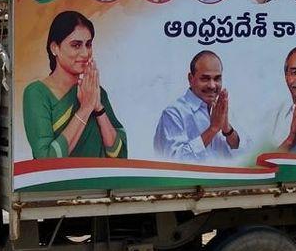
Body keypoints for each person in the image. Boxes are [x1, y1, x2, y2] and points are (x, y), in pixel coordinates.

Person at [23, 10, 128, 158]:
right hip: (60, 181)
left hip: (98, 180)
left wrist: (98, 108)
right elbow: (46, 159)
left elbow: (119, 155)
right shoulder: (37, 93)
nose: (85, 53)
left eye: (88, 44)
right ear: (55, 48)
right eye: (76, 45)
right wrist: (85, 109)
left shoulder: (95, 91)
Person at [153, 51, 247, 161]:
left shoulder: (221, 109)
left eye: (217, 78)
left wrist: (227, 130)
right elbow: (172, 161)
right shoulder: (173, 114)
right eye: (205, 78)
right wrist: (212, 130)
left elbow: (246, 153)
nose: (212, 85)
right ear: (190, 79)